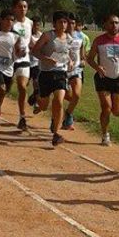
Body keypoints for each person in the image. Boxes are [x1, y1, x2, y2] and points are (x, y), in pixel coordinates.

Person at [86, 14, 119, 146]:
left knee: (117, 111)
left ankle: (106, 120)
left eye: (117, 23)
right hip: (103, 79)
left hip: (118, 79)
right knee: (106, 107)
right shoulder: (99, 40)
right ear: (105, 25)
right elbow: (90, 58)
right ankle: (105, 135)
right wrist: (98, 67)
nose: (114, 26)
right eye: (111, 23)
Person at [31, 11, 72, 146]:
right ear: (54, 23)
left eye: (65, 22)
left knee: (59, 101)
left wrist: (70, 61)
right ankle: (37, 96)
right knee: (43, 106)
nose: (63, 24)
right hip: (46, 73)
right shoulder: (47, 36)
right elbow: (34, 51)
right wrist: (45, 58)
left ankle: (56, 133)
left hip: (61, 73)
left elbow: (65, 53)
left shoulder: (68, 38)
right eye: (60, 22)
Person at [0, 10, 23, 132]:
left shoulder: (15, 36)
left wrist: (21, 53)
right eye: (7, 19)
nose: (9, 22)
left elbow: (17, 52)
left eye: (12, 20)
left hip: (8, 67)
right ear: (1, 20)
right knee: (1, 89)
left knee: (2, 93)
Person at [10, 0, 34, 131]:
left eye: (25, 7)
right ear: (14, 8)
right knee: (4, 89)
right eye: (20, 6)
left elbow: (30, 41)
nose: (23, 9)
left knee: (22, 87)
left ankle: (22, 117)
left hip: (24, 60)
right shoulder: (10, 23)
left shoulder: (30, 23)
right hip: (10, 60)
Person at [62, 12, 86, 130]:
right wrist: (68, 60)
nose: (71, 25)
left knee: (76, 95)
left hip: (76, 70)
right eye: (69, 23)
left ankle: (68, 114)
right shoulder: (61, 36)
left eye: (73, 23)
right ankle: (56, 116)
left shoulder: (80, 36)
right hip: (62, 70)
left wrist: (83, 60)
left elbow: (82, 50)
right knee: (66, 96)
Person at [27, 18, 43, 113]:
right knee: (25, 84)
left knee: (36, 82)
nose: (35, 27)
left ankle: (36, 102)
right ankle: (32, 96)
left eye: (37, 25)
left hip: (37, 63)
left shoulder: (41, 35)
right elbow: (33, 46)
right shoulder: (28, 35)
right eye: (33, 25)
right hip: (27, 62)